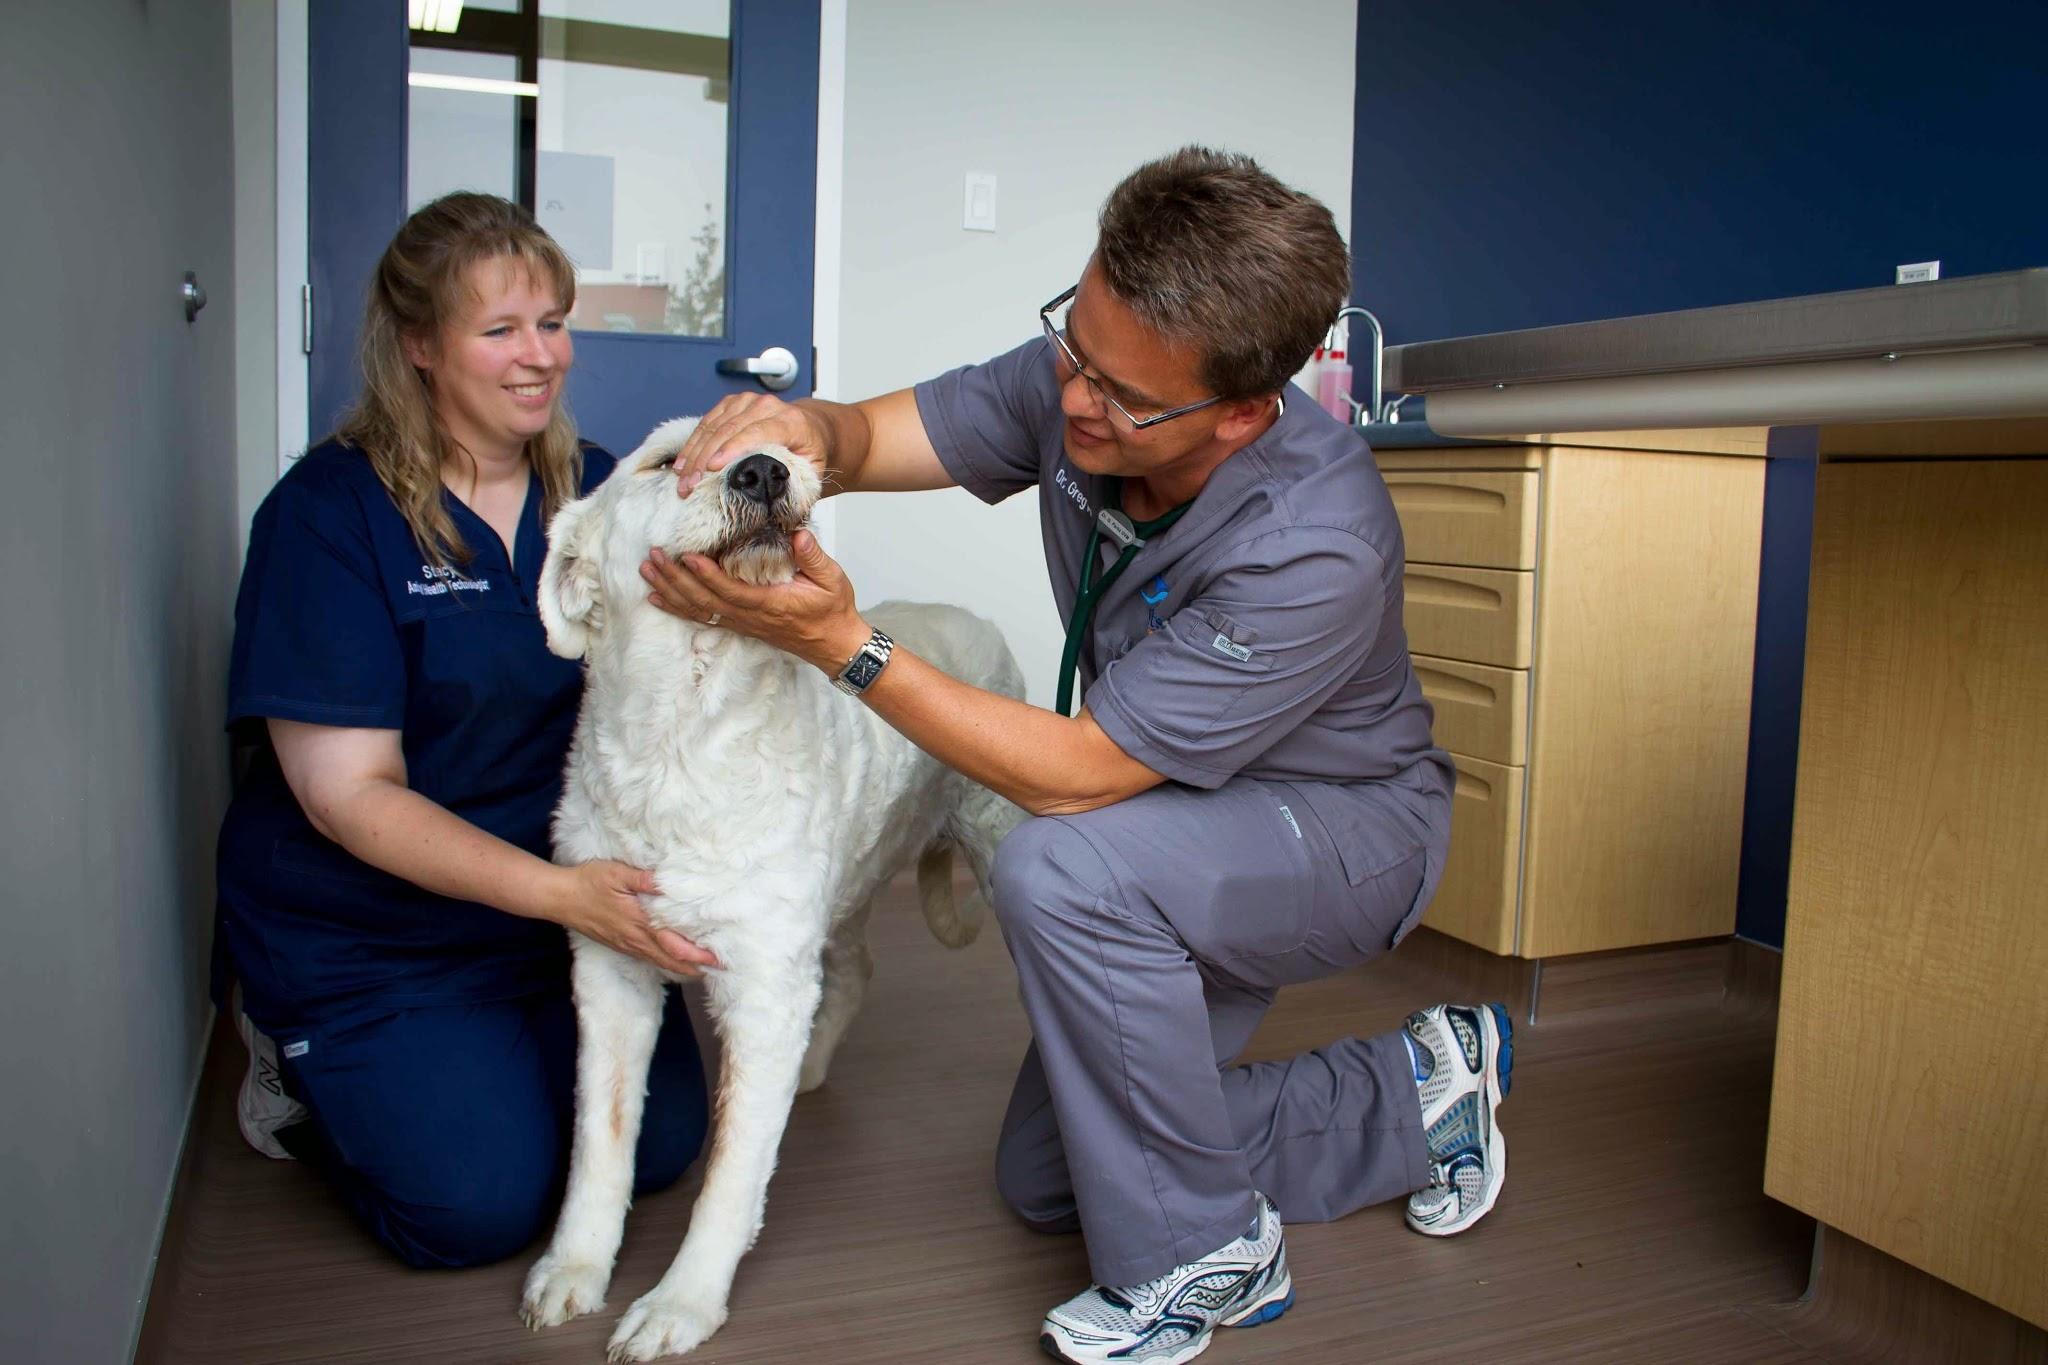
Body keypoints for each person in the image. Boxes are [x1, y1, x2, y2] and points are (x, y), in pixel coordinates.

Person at [640, 147, 1514, 1364]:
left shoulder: (1313, 538)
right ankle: (1417, 1090)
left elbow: (1075, 777)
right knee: (1050, 1179)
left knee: (1060, 864)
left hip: (1337, 835)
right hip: (1173, 825)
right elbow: (863, 438)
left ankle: (1204, 1258)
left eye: (1126, 398)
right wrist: (797, 425)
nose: (1076, 404)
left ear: (1246, 410)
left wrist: (843, 642)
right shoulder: (1088, 375)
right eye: (1075, 348)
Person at [213, 192, 717, 1269]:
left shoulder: (601, 487)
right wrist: (562, 894)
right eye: (500, 330)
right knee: (475, 1210)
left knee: (662, 1147)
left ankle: (488, 1067)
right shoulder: (326, 519)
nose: (540, 357)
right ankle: (288, 1075)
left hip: (549, 911)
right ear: (418, 347)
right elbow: (344, 793)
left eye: (552, 321)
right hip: (375, 929)